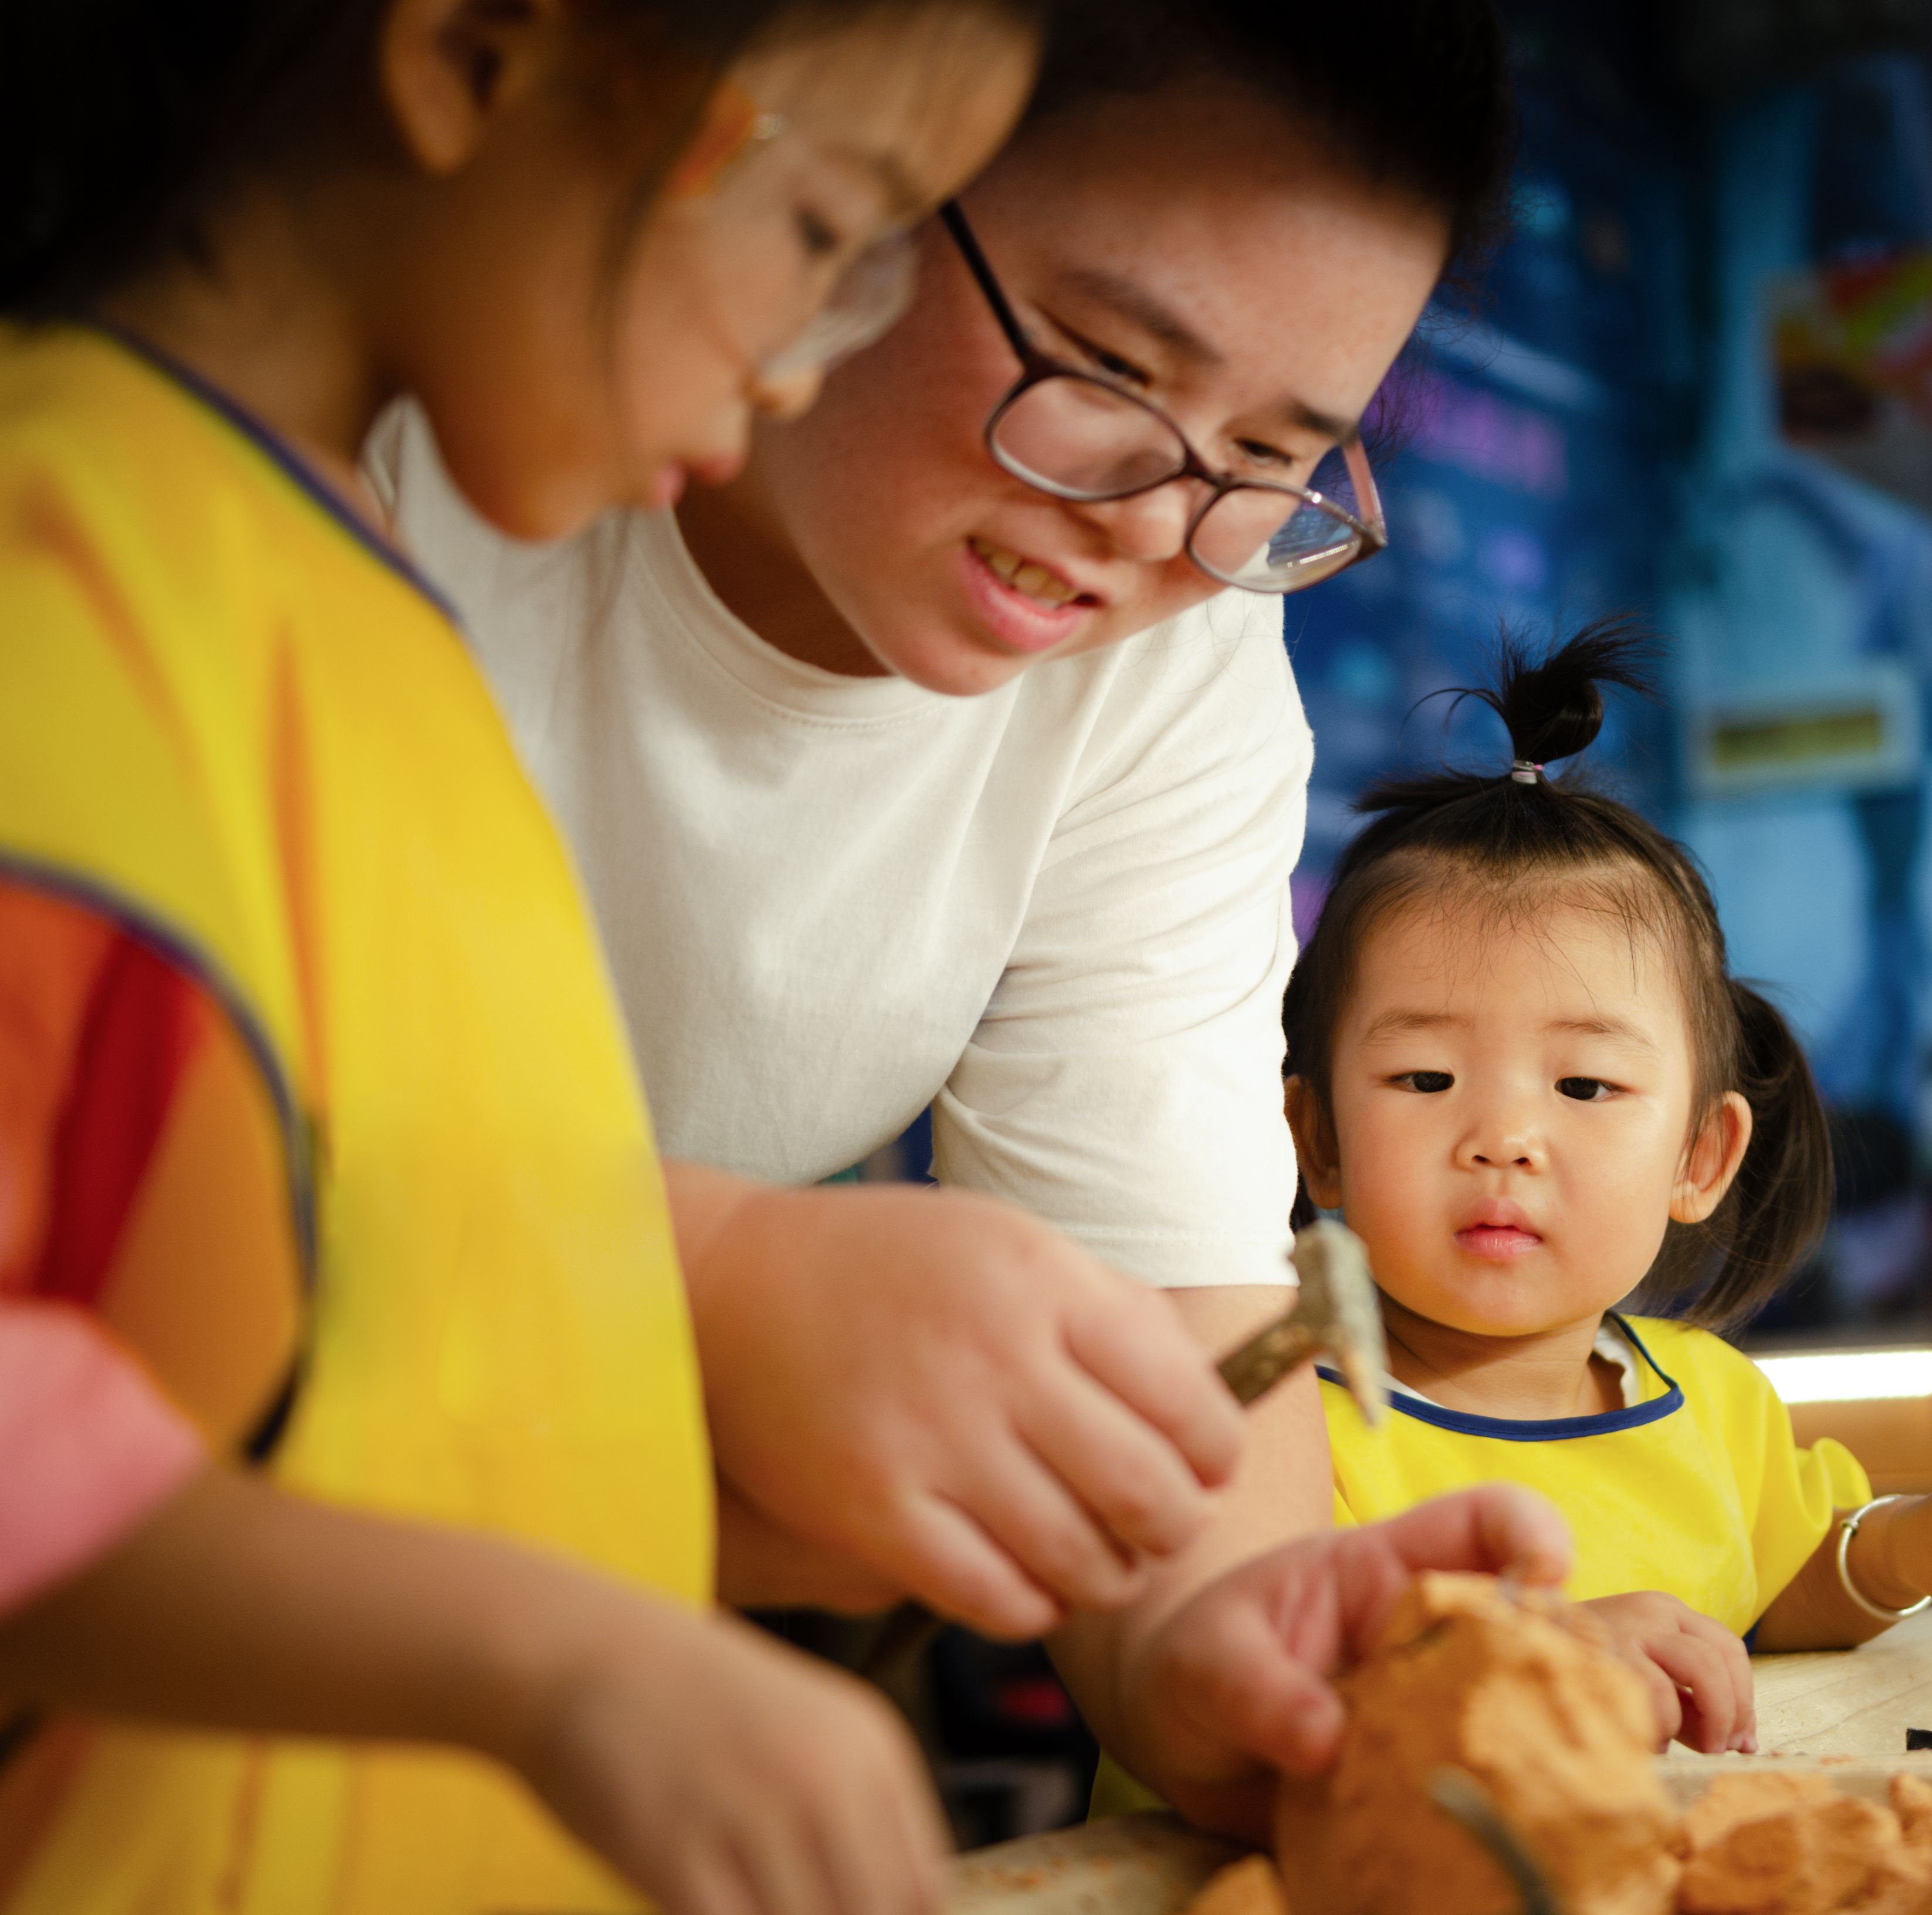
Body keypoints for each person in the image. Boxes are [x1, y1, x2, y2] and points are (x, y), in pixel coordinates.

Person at [0, 2, 1564, 1909]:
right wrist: (713, 1322)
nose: (1163, 527)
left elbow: (370, 1342)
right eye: (834, 225)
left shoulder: (353, 616)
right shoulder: (163, 565)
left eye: (1270, 459)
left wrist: (1203, 1642)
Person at [370, 0, 1522, 1792]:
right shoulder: (375, 451)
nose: (1163, 525)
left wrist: (1236, 1662)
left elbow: (1168, 1333)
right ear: (854, 170)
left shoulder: (1181, 667)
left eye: (1277, 457)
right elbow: (168, 1204)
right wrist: (719, 1286)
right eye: (1109, 369)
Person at [1275, 625, 1932, 1755]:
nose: (1505, 1139)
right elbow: (1254, 1673)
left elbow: (1780, 1585)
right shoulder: (1277, 1421)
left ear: (1700, 1159)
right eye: (1426, 1077)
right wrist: (1527, 1660)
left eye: (1585, 1083)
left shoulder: (1715, 1408)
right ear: (1317, 1138)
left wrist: (1911, 1547)